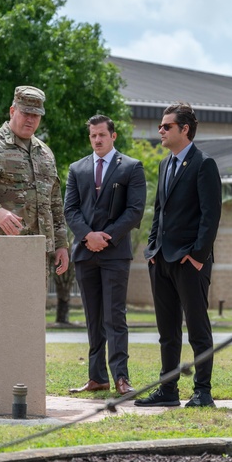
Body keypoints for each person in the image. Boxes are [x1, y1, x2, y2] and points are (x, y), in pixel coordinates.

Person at [135, 102, 222, 408]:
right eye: (161, 126)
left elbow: (210, 216)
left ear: (184, 129)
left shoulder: (203, 164)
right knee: (167, 331)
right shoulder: (164, 164)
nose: (160, 130)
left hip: (189, 262)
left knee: (197, 329)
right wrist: (152, 248)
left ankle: (202, 391)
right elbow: (159, 210)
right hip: (161, 260)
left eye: (166, 126)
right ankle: (168, 389)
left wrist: (198, 255)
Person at [63, 115, 147, 396]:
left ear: (113, 136)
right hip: (85, 253)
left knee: (114, 316)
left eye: (101, 135)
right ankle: (96, 377)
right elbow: (70, 210)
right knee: (93, 317)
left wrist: (105, 237)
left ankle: (121, 377)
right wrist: (88, 236)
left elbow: (135, 211)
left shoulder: (132, 168)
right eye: (92, 136)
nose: (97, 140)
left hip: (115, 253)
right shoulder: (77, 169)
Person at [0, 85, 69, 278]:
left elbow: (55, 203)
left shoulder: (45, 153)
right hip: (0, 246)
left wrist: (61, 244)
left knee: (32, 307)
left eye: (36, 115)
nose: (30, 119)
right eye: (25, 112)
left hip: (38, 250)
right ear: (12, 111)